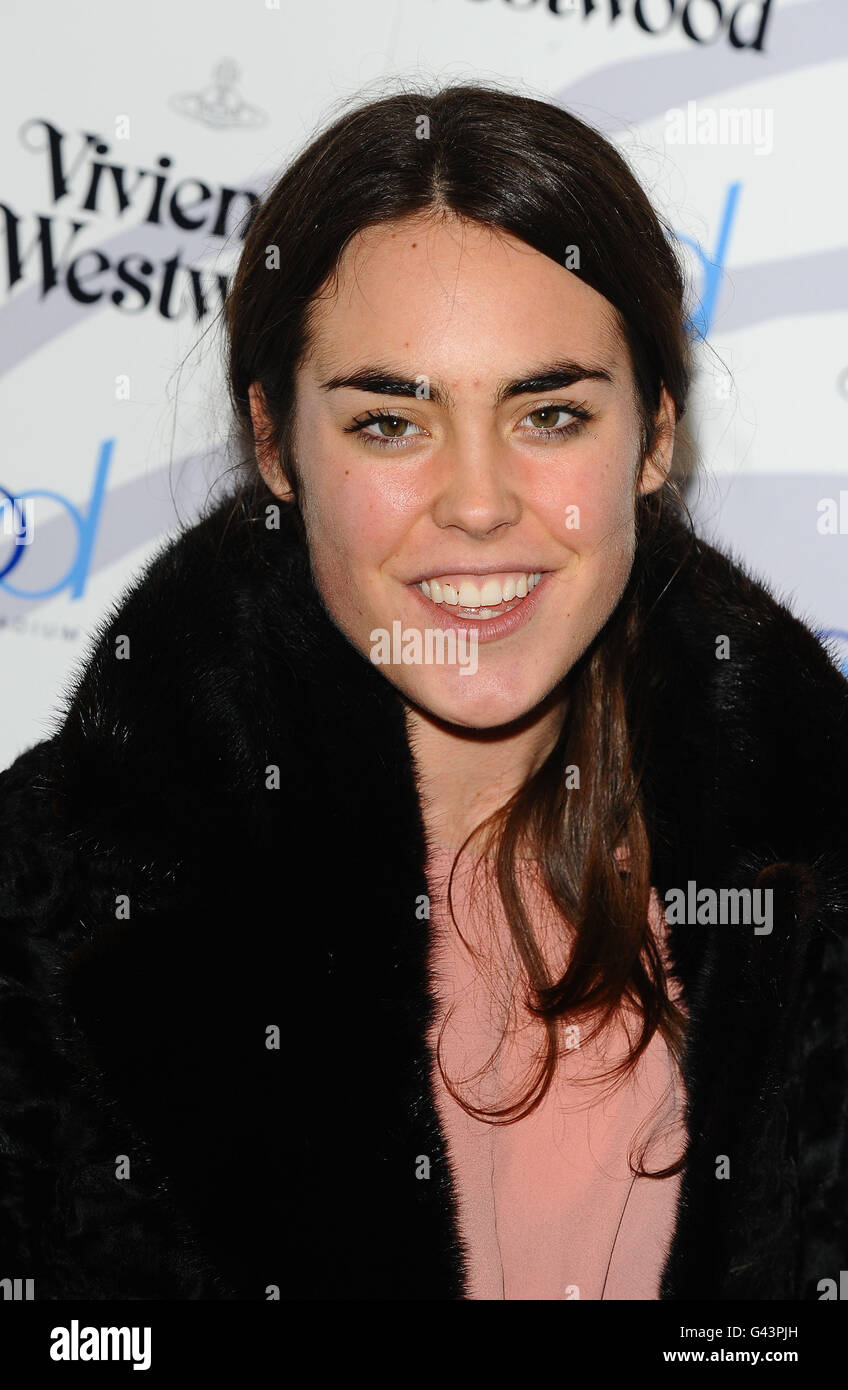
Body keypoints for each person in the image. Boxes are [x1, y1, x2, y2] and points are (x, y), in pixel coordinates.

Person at [1, 80, 846, 1302]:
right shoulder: (46, 914)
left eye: (549, 412)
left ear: (654, 438)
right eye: (389, 423)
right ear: (275, 444)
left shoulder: (809, 887)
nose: (476, 501)